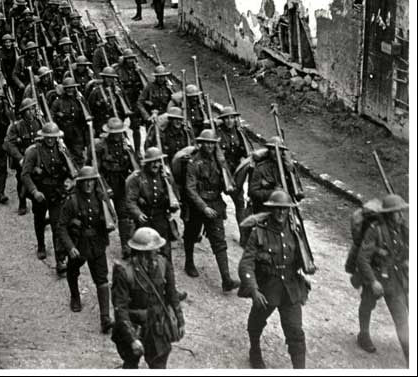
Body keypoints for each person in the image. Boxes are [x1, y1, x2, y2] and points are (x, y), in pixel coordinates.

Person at [238, 190, 309, 369]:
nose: (281, 213)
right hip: (267, 288)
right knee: (256, 323)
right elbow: (246, 265)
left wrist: (308, 264)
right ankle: (254, 350)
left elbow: (303, 256)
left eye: (285, 210)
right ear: (271, 210)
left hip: (290, 289)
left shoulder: (294, 231)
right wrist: (254, 290)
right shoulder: (259, 233)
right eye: (277, 209)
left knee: (296, 333)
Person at [111, 227, 185, 369]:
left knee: (159, 364)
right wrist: (132, 339)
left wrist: (180, 321)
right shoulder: (124, 271)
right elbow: (120, 308)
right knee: (131, 364)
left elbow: (172, 295)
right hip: (133, 326)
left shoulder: (163, 264)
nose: (156, 253)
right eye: (153, 250)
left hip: (157, 326)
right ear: (141, 253)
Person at [57, 165, 114, 333]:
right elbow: (61, 227)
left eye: (91, 181)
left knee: (102, 280)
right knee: (73, 271)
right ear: (80, 183)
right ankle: (75, 296)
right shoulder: (72, 201)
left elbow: (112, 219)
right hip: (79, 243)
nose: (89, 185)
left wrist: (108, 219)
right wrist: (70, 247)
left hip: (97, 243)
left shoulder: (100, 197)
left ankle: (105, 318)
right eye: (85, 182)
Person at [183, 129, 240, 291]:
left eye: (212, 143)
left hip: (215, 202)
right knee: (191, 234)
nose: (209, 146)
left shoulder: (219, 160)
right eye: (206, 143)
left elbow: (228, 183)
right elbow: (190, 189)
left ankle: (226, 279)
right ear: (201, 143)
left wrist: (227, 178)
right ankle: (189, 262)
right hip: (197, 205)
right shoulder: (194, 162)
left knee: (219, 241)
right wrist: (203, 207)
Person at [354, 193, 408, 363]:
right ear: (388, 214)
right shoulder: (375, 230)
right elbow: (362, 258)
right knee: (367, 305)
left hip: (394, 278)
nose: (401, 215)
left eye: (401, 211)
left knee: (401, 317)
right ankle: (363, 334)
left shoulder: (403, 230)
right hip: (376, 275)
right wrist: (372, 281)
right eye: (397, 212)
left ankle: (409, 354)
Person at [21, 121, 74, 274]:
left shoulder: (61, 150)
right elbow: (25, 174)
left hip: (57, 193)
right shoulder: (34, 151)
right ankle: (41, 245)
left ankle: (60, 260)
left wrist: (69, 182)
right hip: (41, 192)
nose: (50, 140)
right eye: (48, 137)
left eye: (53, 137)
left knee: (58, 225)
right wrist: (34, 191)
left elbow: (71, 171)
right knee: (39, 220)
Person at [93, 116, 138, 258]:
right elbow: (96, 171)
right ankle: (101, 242)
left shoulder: (126, 145)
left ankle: (126, 245)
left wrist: (130, 153)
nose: (118, 136)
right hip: (105, 182)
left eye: (120, 133)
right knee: (101, 215)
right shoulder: (100, 147)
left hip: (121, 183)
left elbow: (136, 169)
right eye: (115, 133)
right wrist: (105, 187)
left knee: (124, 215)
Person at [3, 97, 40, 214]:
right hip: (23, 160)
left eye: (32, 109)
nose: (31, 112)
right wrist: (19, 158)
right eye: (28, 110)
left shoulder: (39, 123)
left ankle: (36, 205)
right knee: (22, 182)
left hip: (36, 159)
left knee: (38, 182)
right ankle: (22, 202)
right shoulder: (17, 126)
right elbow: (9, 144)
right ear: (23, 113)